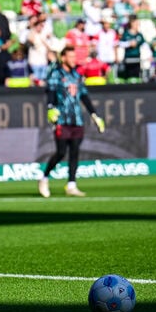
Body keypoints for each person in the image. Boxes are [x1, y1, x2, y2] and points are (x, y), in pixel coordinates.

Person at [39, 46, 105, 198]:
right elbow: (50, 92)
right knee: (61, 152)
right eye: (70, 57)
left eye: (74, 57)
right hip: (62, 118)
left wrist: (95, 115)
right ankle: (44, 178)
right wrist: (50, 108)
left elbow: (84, 96)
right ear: (63, 58)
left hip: (77, 119)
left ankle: (71, 184)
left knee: (75, 151)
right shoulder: (56, 74)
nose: (73, 60)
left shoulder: (77, 75)